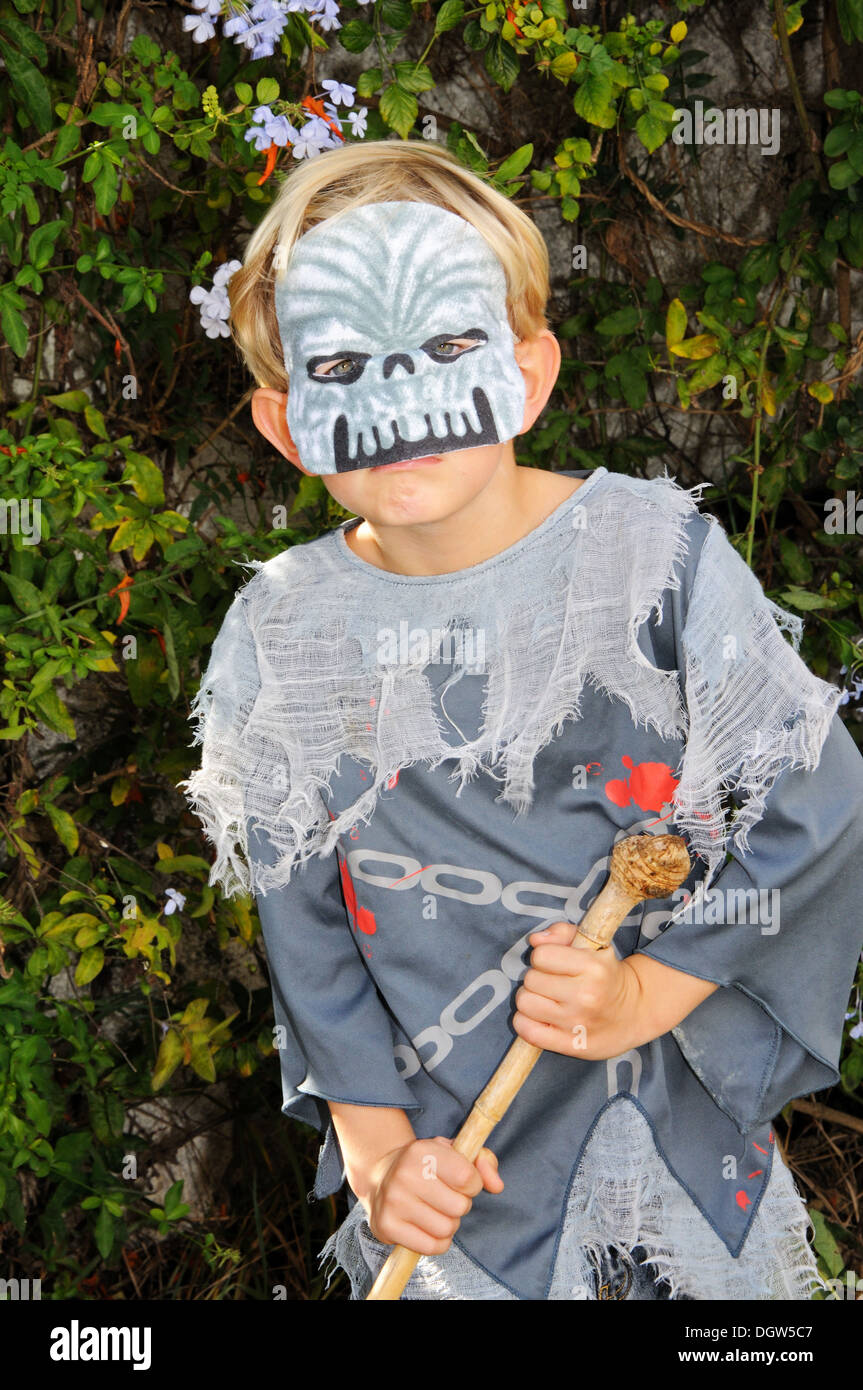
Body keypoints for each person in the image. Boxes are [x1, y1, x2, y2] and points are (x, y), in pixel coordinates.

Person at [179, 139, 863, 1300]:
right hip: (460, 1173)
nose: (401, 404)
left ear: (528, 374)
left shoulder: (650, 558)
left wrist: (647, 991)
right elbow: (305, 922)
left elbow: (812, 793)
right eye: (343, 365)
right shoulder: (282, 629)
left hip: (657, 1130)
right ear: (286, 423)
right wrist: (379, 1154)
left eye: (448, 347)